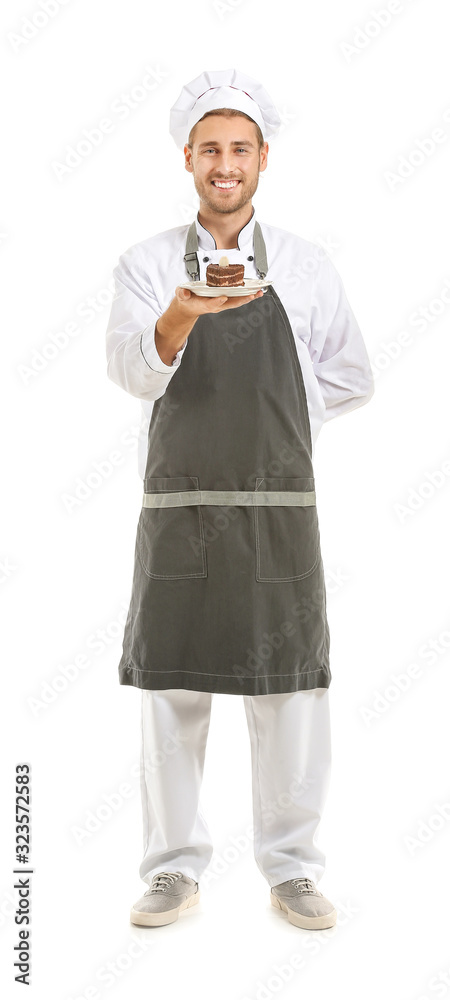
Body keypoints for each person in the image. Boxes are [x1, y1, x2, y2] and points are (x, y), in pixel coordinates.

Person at [105, 68, 375, 931]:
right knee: (172, 695)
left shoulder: (305, 263)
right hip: (180, 509)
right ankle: (172, 872)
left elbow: (351, 374)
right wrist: (183, 314)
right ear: (188, 157)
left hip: (278, 510)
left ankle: (292, 869)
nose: (227, 163)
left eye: (241, 148)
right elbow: (130, 371)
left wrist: (285, 433)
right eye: (211, 148)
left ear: (264, 157)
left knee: (288, 691)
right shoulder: (147, 264)